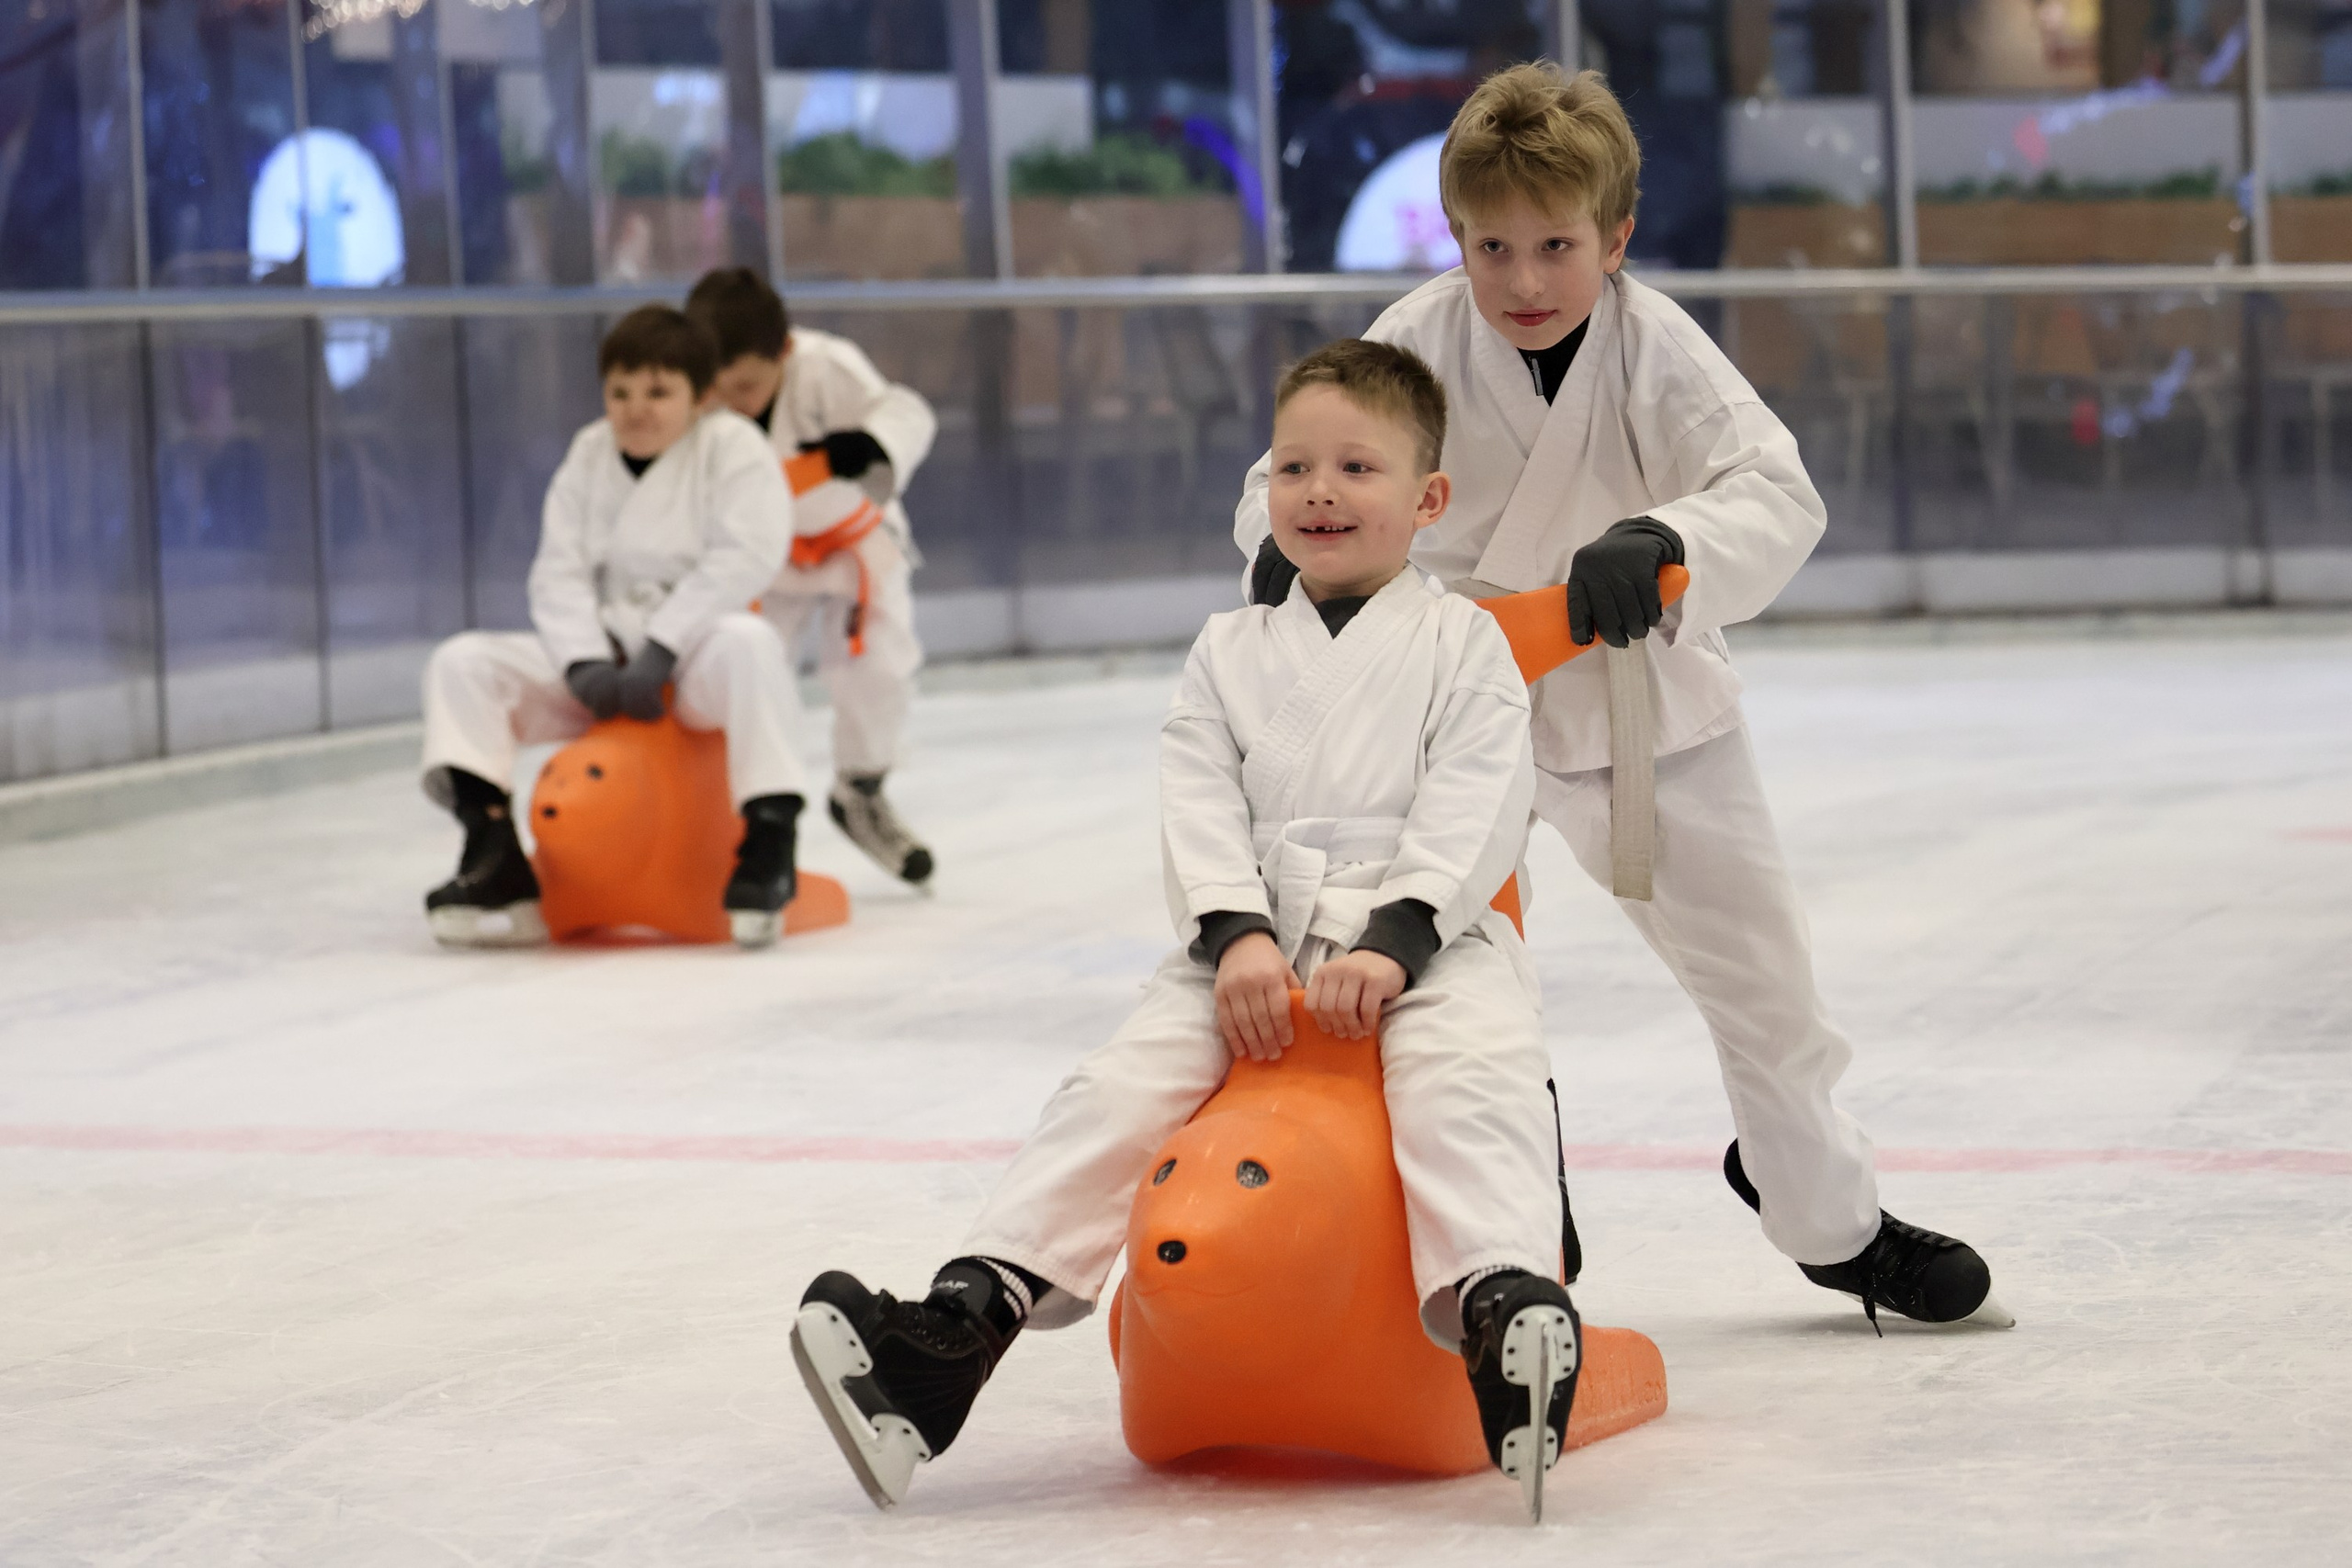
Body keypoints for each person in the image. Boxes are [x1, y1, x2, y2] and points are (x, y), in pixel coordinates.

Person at [1236, 63, 2007, 1332]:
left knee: (1765, 980)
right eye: (1493, 247)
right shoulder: (1413, 340)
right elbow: (1294, 470)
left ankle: (1826, 1213)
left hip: (1640, 704)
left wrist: (1661, 537)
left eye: (1556, 246)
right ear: (1455, 238)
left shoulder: (1659, 350)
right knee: (1448, 972)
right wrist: (1280, 537)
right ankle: (1513, 1212)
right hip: (1449, 708)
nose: (1525, 281)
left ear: (1617, 238)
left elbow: (1776, 493)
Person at [794, 341, 1578, 1510]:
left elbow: (1479, 799)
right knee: (1113, 1091)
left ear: (1428, 501)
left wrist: (1398, 939)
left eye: (1357, 467)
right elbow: (1198, 796)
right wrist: (1237, 935)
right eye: (1295, 465)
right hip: (1247, 939)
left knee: (1470, 1077)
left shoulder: (1460, 644)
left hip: (1425, 940)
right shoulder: (1228, 650)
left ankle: (1505, 1310)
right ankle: (955, 1333)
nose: (1320, 490)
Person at [418, 305, 809, 949]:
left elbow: (748, 554)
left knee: (751, 645)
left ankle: (768, 840)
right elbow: (558, 570)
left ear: (700, 396)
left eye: (659, 392)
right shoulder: (589, 452)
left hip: (689, 662)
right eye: (620, 392)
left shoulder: (733, 447)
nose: (637, 410)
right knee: (464, 662)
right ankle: (493, 854)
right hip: (601, 664)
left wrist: (664, 645)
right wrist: (581, 661)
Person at [684, 267, 941, 887]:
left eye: (747, 385)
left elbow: (907, 412)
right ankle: (747, 810)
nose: (736, 401)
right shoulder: (693, 392)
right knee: (744, 673)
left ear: (784, 351)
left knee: (879, 668)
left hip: (853, 545)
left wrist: (871, 442)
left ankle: (861, 791)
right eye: (721, 388)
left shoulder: (829, 367)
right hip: (764, 558)